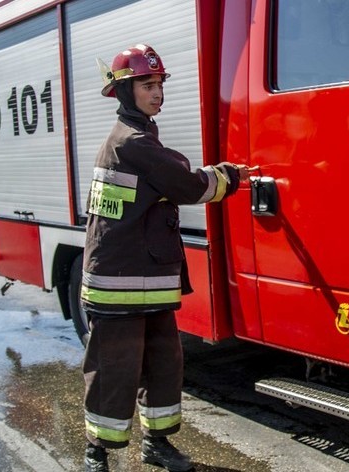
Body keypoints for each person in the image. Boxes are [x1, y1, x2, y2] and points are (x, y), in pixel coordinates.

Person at [81, 44, 249, 472]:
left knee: (162, 363)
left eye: (159, 84)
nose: (157, 93)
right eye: (146, 84)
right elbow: (189, 184)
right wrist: (229, 175)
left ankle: (156, 444)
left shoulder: (138, 138)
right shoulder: (132, 143)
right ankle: (95, 452)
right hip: (119, 283)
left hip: (145, 276)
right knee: (113, 369)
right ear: (124, 92)